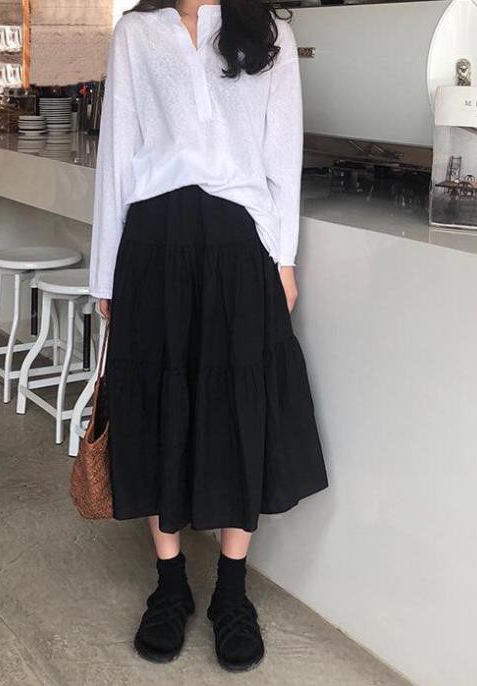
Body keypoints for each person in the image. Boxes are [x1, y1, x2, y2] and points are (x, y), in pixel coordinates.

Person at [89, 0, 328, 671]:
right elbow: (117, 152)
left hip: (238, 244)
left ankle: (231, 591)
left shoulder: (269, 30)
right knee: (156, 408)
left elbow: (282, 149)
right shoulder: (137, 32)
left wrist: (283, 259)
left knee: (238, 413)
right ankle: (169, 586)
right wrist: (105, 273)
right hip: (153, 241)